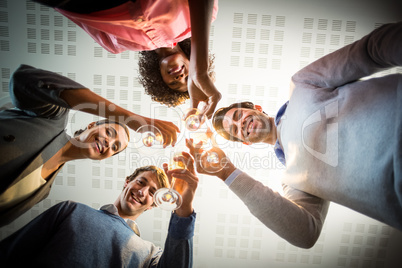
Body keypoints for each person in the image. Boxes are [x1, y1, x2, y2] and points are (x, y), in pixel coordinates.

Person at [188, 22, 402, 248]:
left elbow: (369, 51)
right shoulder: (294, 180)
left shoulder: (303, 85)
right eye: (235, 130)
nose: (241, 124)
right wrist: (226, 172)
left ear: (257, 108)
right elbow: (305, 234)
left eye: (239, 114)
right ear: (246, 142)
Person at [32, 0, 222, 119]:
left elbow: (77, 16)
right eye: (188, 79)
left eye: (173, 84)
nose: (180, 78)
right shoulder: (198, 21)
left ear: (159, 79)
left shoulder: (114, 45)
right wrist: (200, 70)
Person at [0, 64, 130, 226]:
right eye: (110, 133)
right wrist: (130, 117)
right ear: (91, 125)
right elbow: (22, 80)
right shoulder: (54, 116)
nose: (109, 142)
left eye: (115, 147)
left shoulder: (43, 192)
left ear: (105, 158)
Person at [0, 161, 199, 267]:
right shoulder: (72, 209)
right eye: (141, 182)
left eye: (153, 193)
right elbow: (12, 252)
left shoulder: (150, 254)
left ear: (152, 205)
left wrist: (184, 208)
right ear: (127, 181)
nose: (142, 192)